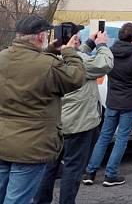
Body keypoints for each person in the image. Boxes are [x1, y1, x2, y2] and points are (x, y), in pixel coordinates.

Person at [0, 15, 85, 204]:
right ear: (40, 36)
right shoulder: (48, 65)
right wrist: (69, 51)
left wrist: (48, 51)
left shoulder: (3, 57)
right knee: (18, 199)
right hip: (30, 147)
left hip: (3, 140)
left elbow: (27, 64)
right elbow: (76, 77)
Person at [34, 30, 113, 204]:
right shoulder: (82, 62)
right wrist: (101, 45)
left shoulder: (49, 60)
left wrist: (88, 45)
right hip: (78, 123)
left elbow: (75, 58)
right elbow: (103, 64)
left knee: (49, 167)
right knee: (73, 168)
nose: (78, 39)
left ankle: (40, 201)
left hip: (55, 122)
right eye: (75, 37)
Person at [83, 23, 132, 188]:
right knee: (121, 138)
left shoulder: (109, 53)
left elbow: (125, 49)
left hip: (112, 102)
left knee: (104, 137)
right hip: (130, 103)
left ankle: (90, 172)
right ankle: (110, 175)